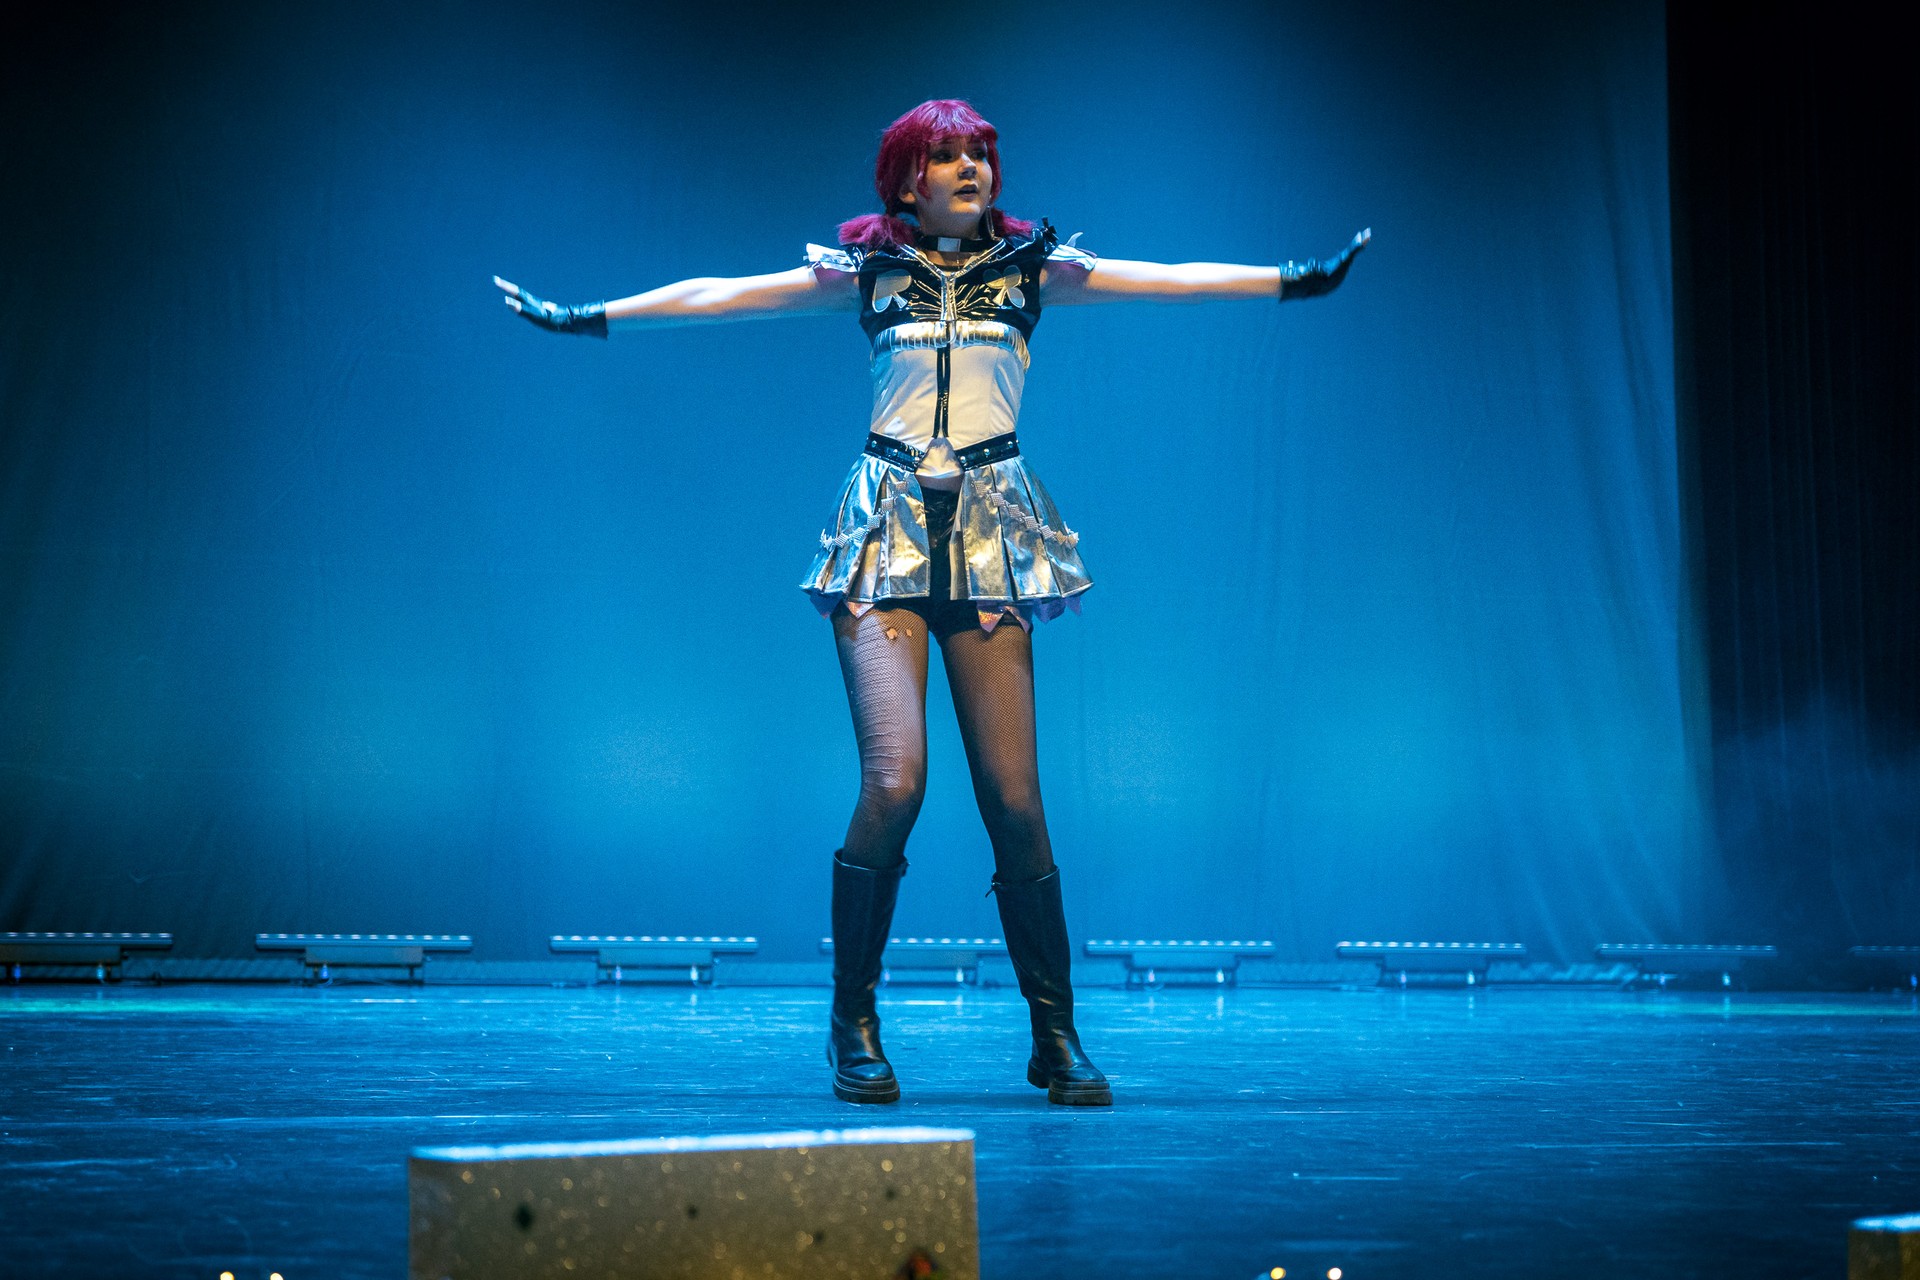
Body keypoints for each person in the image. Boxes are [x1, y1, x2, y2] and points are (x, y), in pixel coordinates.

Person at [495, 99, 1367, 1107]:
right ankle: (853, 1024)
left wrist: (1295, 278)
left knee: (1016, 801)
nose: (969, 168)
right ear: (907, 178)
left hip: (991, 532)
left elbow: (1170, 279)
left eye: (980, 154)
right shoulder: (867, 271)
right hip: (886, 530)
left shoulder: (1033, 268)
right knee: (896, 781)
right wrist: (588, 314)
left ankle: (1055, 1034)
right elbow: (721, 296)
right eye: (946, 155)